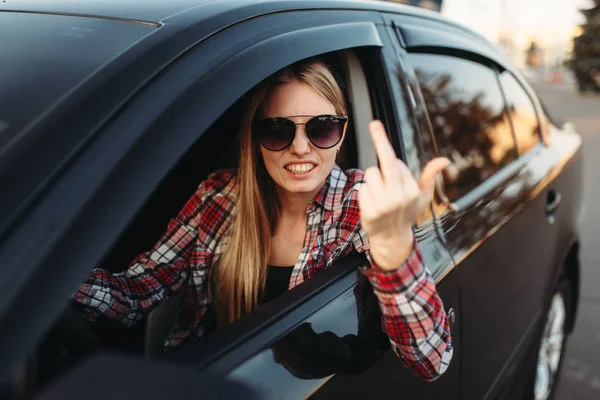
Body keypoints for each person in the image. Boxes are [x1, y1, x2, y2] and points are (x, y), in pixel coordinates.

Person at [72, 58, 453, 381]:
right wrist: (35, 282)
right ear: (255, 136)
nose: (301, 147)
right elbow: (136, 292)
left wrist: (393, 249)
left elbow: (431, 360)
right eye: (278, 129)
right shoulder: (219, 197)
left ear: (342, 133)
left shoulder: (363, 202)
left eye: (321, 128)